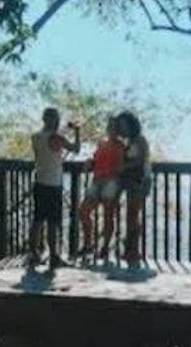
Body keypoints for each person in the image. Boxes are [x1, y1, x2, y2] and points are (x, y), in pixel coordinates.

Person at [30, 107, 80, 268]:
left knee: (37, 220)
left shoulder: (36, 137)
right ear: (53, 120)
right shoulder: (56, 137)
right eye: (56, 118)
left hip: (39, 182)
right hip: (53, 184)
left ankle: (34, 254)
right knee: (52, 222)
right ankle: (53, 256)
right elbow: (75, 149)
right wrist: (77, 132)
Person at [78, 116, 125, 261]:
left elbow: (123, 166)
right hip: (97, 181)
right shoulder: (101, 144)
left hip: (111, 183)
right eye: (109, 126)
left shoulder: (121, 146)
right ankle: (88, 245)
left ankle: (104, 248)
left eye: (114, 127)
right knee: (83, 211)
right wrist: (89, 162)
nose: (110, 129)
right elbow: (96, 160)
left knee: (108, 215)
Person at [116, 111, 151, 267]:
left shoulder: (140, 140)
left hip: (139, 180)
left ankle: (134, 250)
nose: (122, 128)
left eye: (124, 124)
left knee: (133, 214)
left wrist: (124, 166)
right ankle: (130, 249)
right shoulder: (128, 141)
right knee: (130, 214)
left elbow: (141, 160)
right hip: (129, 180)